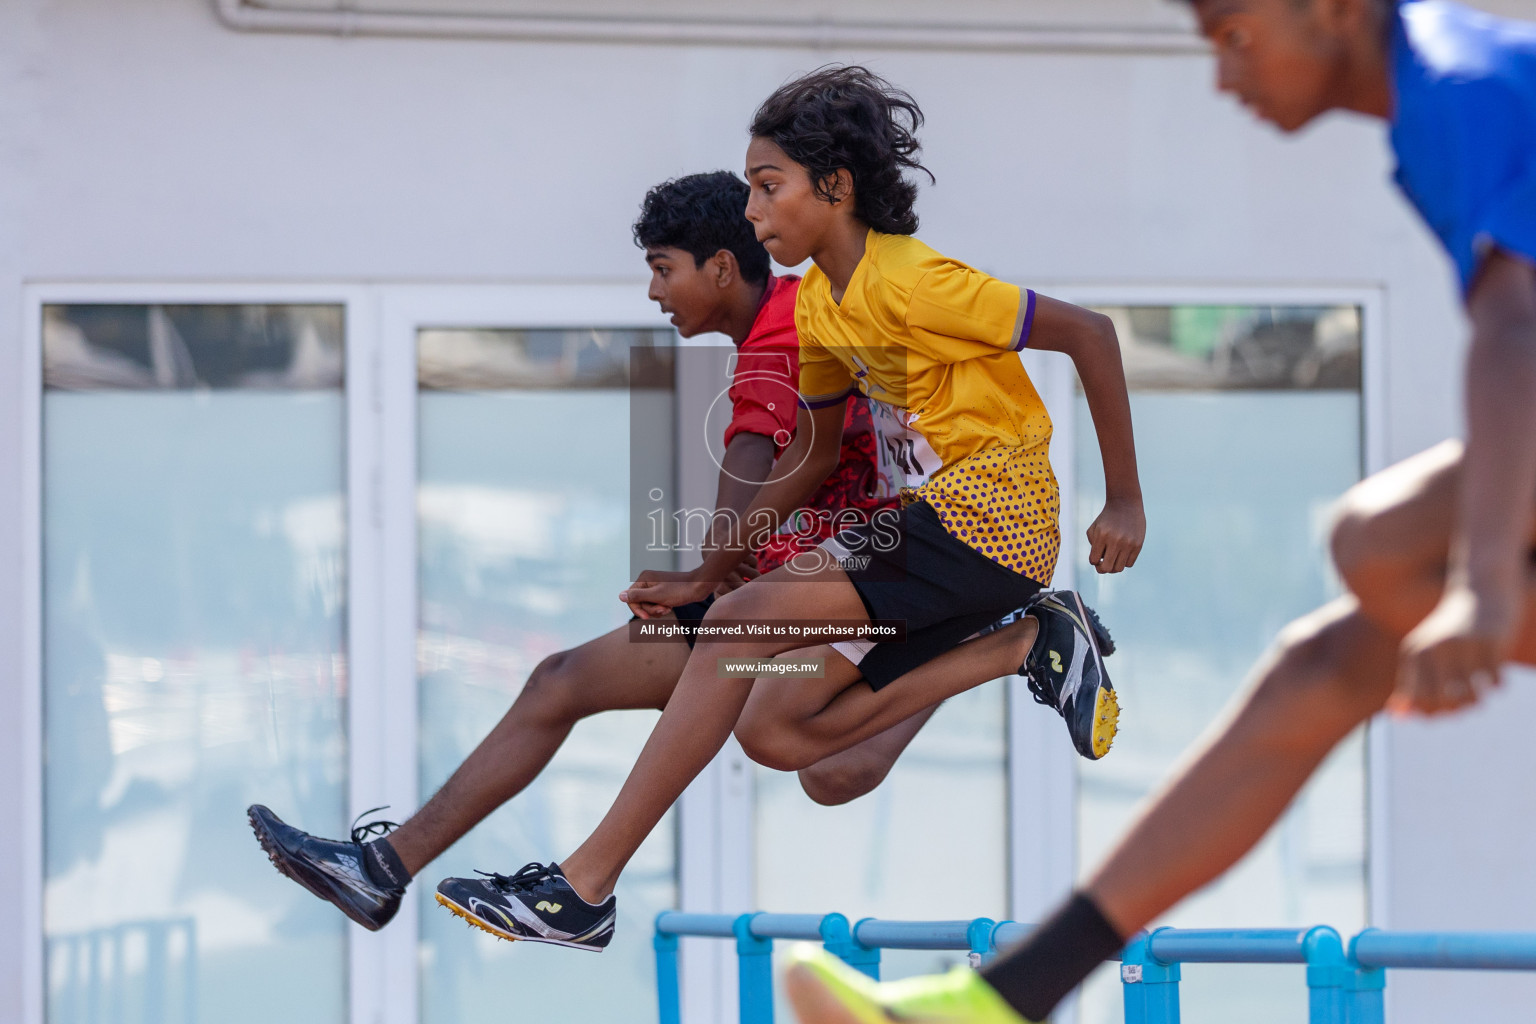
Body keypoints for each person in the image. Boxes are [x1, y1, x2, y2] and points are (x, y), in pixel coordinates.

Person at [785, 3, 1536, 1021]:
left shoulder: (1463, 83)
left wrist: (1489, 591)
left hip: (987, 517)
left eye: (1232, 34)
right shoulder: (1441, 101)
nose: (1224, 79)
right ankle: (1000, 1001)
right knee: (1332, 659)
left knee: (1376, 546)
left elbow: (1517, 328)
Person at [428, 65, 1146, 955]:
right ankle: (1023, 643)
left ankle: (585, 885)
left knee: (735, 632)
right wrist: (705, 576)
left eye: (769, 188)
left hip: (992, 514)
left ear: (835, 188)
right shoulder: (818, 301)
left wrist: (1124, 499)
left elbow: (1090, 333)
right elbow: (807, 456)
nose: (755, 213)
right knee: (777, 729)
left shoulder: (917, 282)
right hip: (939, 529)